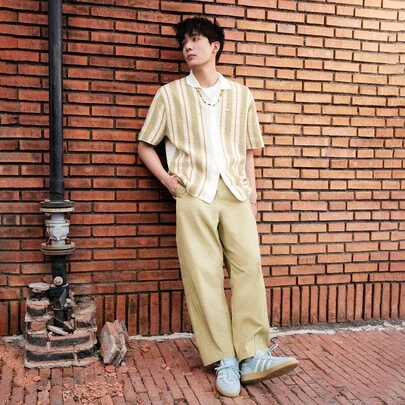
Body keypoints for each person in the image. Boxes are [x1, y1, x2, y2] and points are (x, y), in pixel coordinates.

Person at [137, 16, 299, 398]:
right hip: (194, 194)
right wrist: (169, 182)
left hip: (235, 193)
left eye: (195, 40)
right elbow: (145, 145)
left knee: (249, 267)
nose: (188, 47)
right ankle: (224, 359)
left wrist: (252, 194)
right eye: (184, 42)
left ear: (215, 46)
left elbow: (248, 150)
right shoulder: (170, 95)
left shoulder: (240, 95)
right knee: (203, 275)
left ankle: (253, 354)